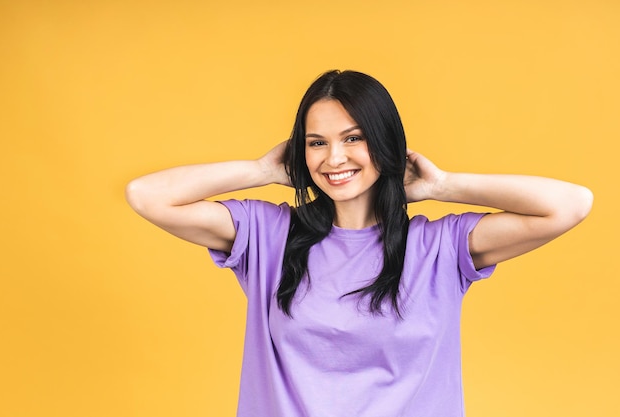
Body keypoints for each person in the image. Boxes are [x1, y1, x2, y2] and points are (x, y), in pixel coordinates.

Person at [125, 70, 593, 417]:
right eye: (316, 143)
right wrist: (262, 171)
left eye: (354, 138)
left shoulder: (437, 247)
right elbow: (146, 196)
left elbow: (569, 204)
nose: (334, 158)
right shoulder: (268, 236)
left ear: (385, 143)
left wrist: (442, 184)